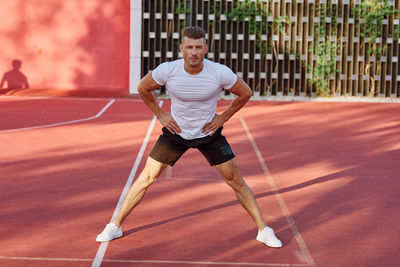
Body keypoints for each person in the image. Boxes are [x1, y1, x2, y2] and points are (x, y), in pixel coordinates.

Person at [96, 26, 282, 248]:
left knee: (235, 180)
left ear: (205, 49)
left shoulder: (219, 72)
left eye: (198, 47)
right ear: (181, 48)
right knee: (147, 177)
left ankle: (264, 229)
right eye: (189, 47)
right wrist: (161, 115)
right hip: (175, 132)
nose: (194, 52)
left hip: (209, 133)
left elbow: (245, 93)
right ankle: (114, 226)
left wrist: (223, 118)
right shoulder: (168, 70)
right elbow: (143, 88)